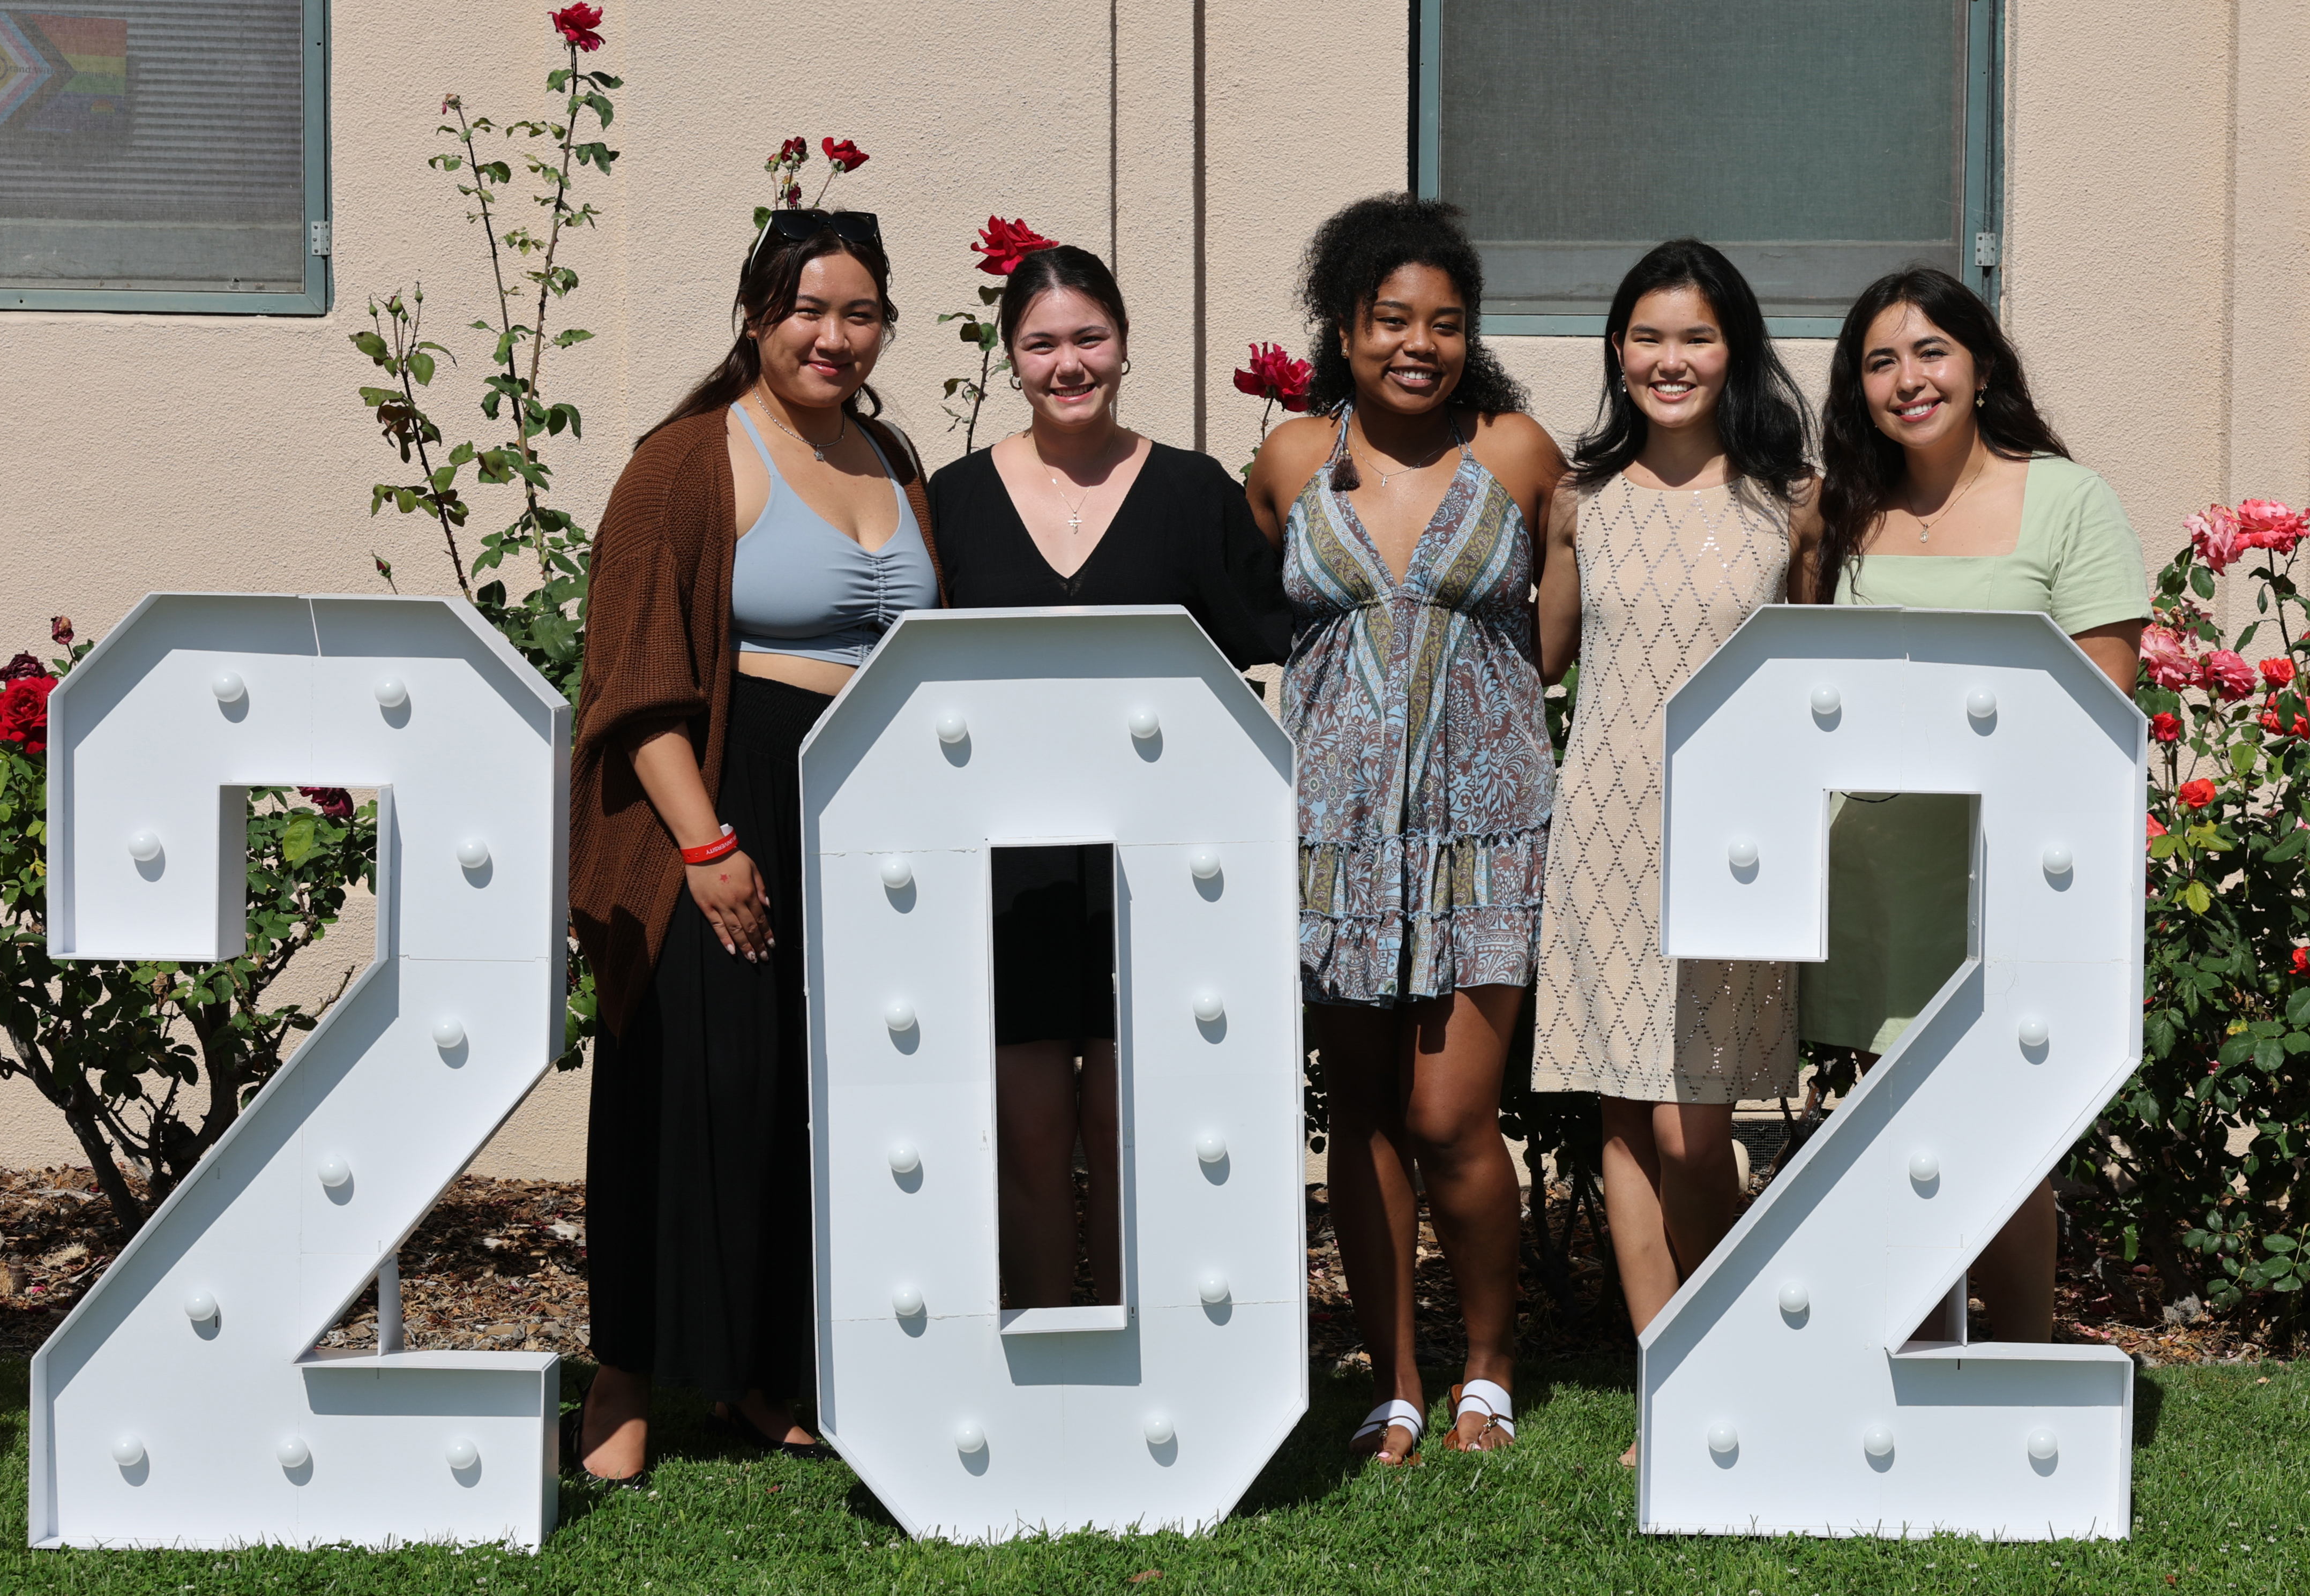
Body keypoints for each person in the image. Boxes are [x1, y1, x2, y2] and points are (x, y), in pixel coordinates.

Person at [567, 208, 939, 1480]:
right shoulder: (686, 460)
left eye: (858, 312)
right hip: (731, 798)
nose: (833, 336)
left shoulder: (892, 453)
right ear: (754, 315)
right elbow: (634, 678)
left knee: (810, 1097)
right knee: (691, 1090)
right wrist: (705, 842)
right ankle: (623, 1380)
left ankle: (761, 1375)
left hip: (869, 811)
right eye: (807, 310)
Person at [1246, 193, 1565, 1461]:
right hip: (1328, 831)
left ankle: (1489, 1362)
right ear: (1345, 325)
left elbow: (1555, 631)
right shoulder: (1287, 460)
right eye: (1391, 320)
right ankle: (1396, 1380)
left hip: (1484, 826)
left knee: (1450, 1114)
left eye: (1443, 321)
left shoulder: (1520, 451)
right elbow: (1268, 624)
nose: (1417, 344)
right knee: (1363, 1106)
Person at [928, 240, 1290, 1310]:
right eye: (1041, 343)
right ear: (1010, 358)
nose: (1067, 363)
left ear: (1125, 346)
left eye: (1089, 337)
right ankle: (1047, 1344)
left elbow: (1269, 646)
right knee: (1031, 1129)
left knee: (1135, 1125)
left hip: (1162, 869)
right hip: (1007, 869)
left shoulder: (1191, 493)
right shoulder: (951, 501)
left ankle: (1151, 1347)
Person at [1796, 265, 2145, 1345]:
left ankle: (2020, 1350)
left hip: (2006, 871)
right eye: (1880, 360)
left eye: (1931, 350)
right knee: (1897, 1123)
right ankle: (1911, 1339)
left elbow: (2104, 701)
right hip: (1874, 868)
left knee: (2008, 1123)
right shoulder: (1846, 511)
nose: (1909, 378)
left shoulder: (2068, 499)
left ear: (1981, 362)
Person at [1527, 239, 1808, 1466]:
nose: (1668, 359)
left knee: (1698, 1121)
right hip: (1603, 826)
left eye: (1693, 336)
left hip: (1737, 835)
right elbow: (1543, 662)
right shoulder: (1579, 501)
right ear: (1617, 353)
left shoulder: (1792, 500)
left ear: (1732, 349)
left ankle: (1729, 1352)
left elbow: (1816, 670)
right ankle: (1668, 1377)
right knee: (1629, 1116)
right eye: (1646, 337)